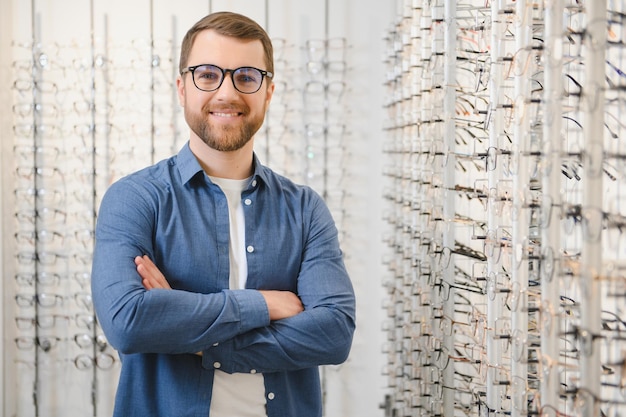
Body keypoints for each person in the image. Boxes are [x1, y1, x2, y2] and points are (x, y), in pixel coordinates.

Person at [91, 10, 356, 417]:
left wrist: (194, 336)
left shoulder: (304, 209)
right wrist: (263, 305)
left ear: (268, 91)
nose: (227, 93)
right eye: (208, 75)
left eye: (246, 76)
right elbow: (128, 321)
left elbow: (334, 334)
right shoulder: (134, 198)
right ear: (182, 88)